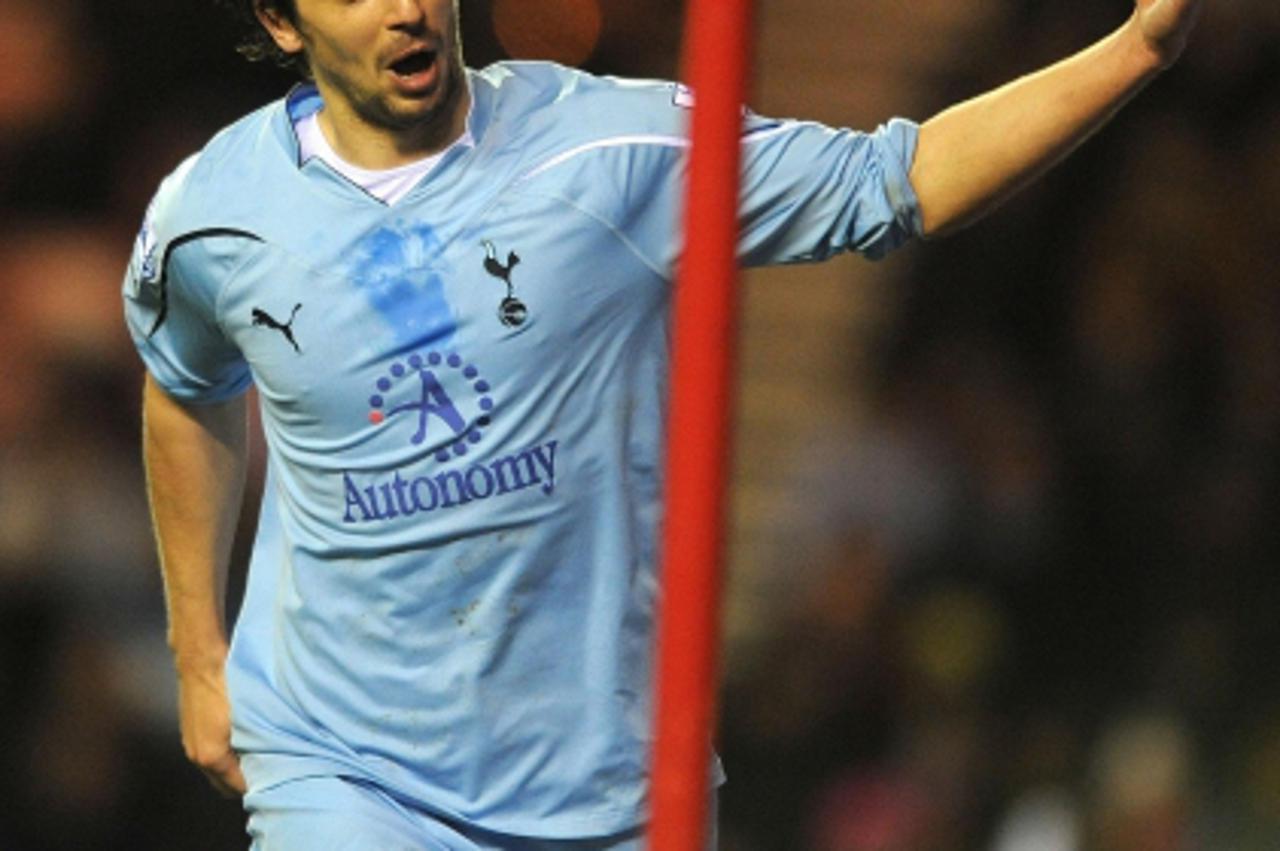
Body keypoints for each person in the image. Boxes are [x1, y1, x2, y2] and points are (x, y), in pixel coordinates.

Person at [123, 0, 1203, 847]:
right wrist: (199, 654)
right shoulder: (214, 216)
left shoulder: (609, 152)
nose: (405, 9)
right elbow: (184, 388)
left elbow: (890, 178)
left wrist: (1135, 49)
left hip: (604, 790)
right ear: (281, 21)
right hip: (343, 766)